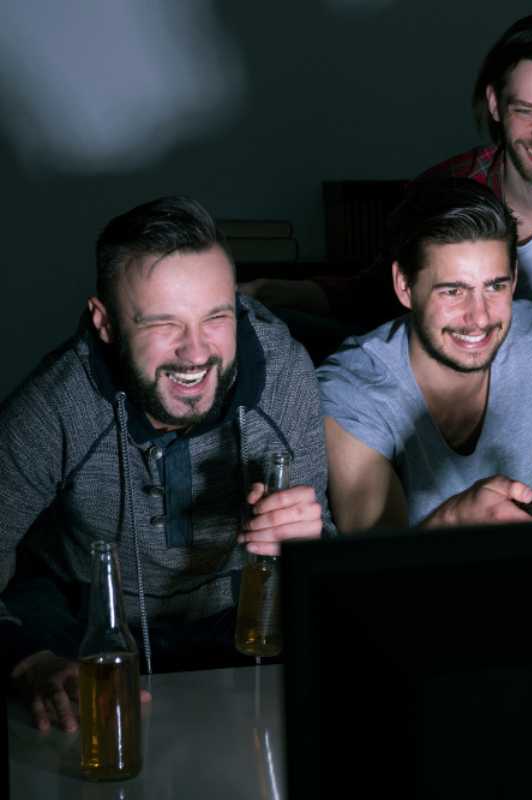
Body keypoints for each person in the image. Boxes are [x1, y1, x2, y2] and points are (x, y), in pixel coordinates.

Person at [0, 196, 334, 731]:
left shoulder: (284, 372)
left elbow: (325, 551)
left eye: (216, 317)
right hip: (84, 638)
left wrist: (308, 543)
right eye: (163, 324)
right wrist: (27, 661)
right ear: (105, 323)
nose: (195, 353)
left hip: (237, 633)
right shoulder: (54, 404)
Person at [245, 9, 532, 441]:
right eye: (526, 111)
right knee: (278, 330)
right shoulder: (448, 187)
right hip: (456, 369)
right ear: (495, 104)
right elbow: (375, 294)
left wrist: (505, 324)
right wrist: (276, 291)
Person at [318, 178, 532, 531]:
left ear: (514, 278)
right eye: (453, 291)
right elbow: (375, 561)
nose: (480, 317)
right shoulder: (353, 389)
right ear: (404, 286)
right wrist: (453, 520)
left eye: (495, 286)